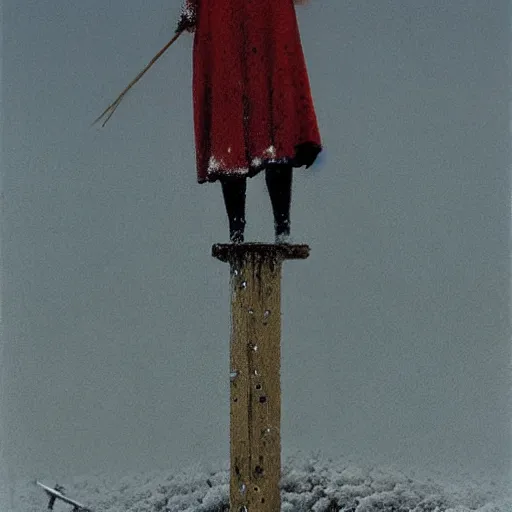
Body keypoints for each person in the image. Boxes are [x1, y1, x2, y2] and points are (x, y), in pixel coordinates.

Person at [177, 0, 322, 243]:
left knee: (233, 114)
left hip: (233, 15)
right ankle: (278, 227)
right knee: (268, 113)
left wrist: (191, 11)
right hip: (259, 14)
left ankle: (242, 230)